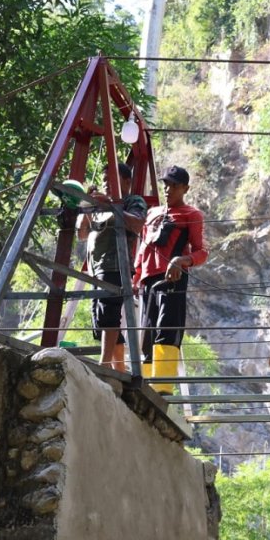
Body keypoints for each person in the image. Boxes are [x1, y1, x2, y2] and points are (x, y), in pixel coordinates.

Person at [133, 165, 208, 394]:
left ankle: (162, 387)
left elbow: (202, 251)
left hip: (172, 279)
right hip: (148, 280)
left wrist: (182, 260)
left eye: (174, 185)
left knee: (167, 328)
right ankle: (145, 386)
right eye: (166, 184)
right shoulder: (152, 213)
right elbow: (143, 249)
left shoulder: (191, 215)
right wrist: (136, 276)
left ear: (186, 188)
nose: (168, 189)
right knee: (146, 332)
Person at [76, 163, 146, 371]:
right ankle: (119, 369)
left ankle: (105, 364)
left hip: (115, 265)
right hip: (96, 267)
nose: (106, 183)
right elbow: (81, 234)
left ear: (126, 182)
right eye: (105, 179)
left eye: (112, 179)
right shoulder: (99, 206)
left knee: (109, 313)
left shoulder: (132, 201)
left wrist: (112, 205)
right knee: (99, 318)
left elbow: (138, 224)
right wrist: (87, 205)